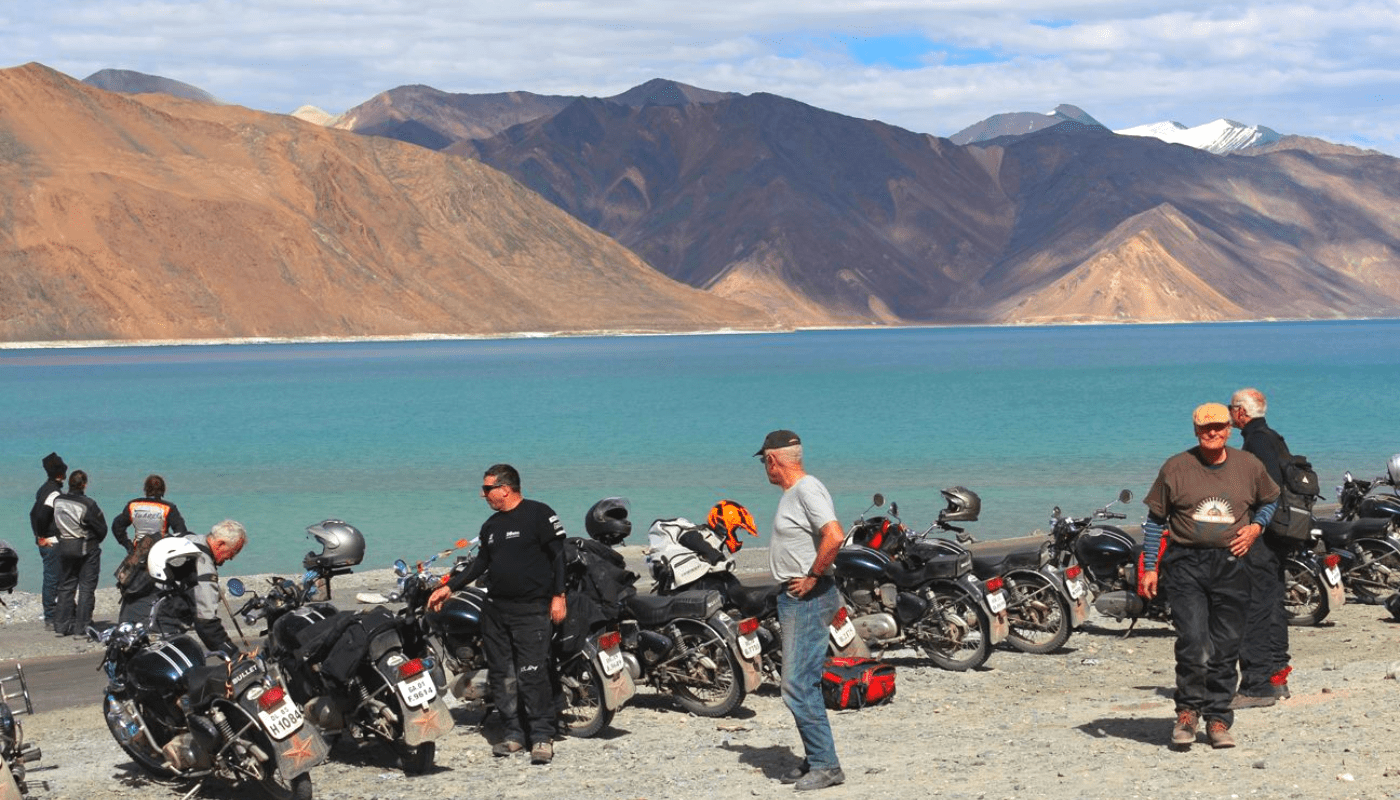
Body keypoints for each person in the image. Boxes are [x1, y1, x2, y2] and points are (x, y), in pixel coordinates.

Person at [1140, 403, 1279, 750]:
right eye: (1205, 429)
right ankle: (1187, 712)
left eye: (1219, 427)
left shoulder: (1249, 465)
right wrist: (1150, 567)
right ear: (1196, 431)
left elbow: (1270, 500)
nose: (1213, 433)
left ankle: (1218, 717)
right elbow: (1156, 521)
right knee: (1192, 641)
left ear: (1230, 428)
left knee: (1226, 644)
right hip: (1185, 563)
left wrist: (1256, 528)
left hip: (1233, 563)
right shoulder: (1176, 467)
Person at [427, 464, 566, 765]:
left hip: (531, 610)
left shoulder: (539, 514)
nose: (483, 494)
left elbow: (559, 557)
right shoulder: (491, 526)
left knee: (532, 674)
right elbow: (480, 564)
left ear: (505, 488)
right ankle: (514, 734)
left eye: (487, 488)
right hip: (497, 611)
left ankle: (542, 735)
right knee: (503, 675)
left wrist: (559, 596)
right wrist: (448, 587)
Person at [756, 429, 846, 791]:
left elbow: (834, 535)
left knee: (795, 684)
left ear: (772, 460)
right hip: (799, 596)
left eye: (765, 462)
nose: (766, 468)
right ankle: (815, 757)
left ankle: (827, 765)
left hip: (807, 597)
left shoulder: (806, 489)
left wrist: (811, 577)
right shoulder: (798, 492)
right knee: (803, 681)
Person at [1228, 388, 1295, 707]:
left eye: (1231, 408)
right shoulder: (1274, 437)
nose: (1229, 414)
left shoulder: (1254, 442)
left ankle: (1256, 685)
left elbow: (1261, 490)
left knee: (1253, 605)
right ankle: (1277, 678)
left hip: (1261, 536)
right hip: (1280, 533)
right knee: (1272, 602)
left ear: (1241, 412)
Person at [152, 520, 247, 656]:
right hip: (160, 626)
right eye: (233, 551)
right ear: (220, 544)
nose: (232, 558)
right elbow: (206, 623)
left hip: (136, 606)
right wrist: (234, 654)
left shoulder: (187, 538)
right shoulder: (203, 566)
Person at [112, 475, 190, 624]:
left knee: (134, 587)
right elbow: (181, 532)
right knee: (157, 590)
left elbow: (117, 526)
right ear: (163, 490)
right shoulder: (168, 508)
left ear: (145, 490)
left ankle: (128, 620)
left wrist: (127, 544)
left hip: (137, 554)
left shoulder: (133, 505)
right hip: (158, 555)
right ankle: (156, 620)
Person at [51, 469, 107, 638]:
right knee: (86, 588)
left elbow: (52, 522)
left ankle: (61, 626)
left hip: (64, 546)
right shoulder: (87, 504)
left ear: (69, 483)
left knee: (66, 586)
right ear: (84, 485)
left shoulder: (58, 500)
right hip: (85, 547)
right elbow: (101, 528)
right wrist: (94, 541)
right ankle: (82, 628)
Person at [28, 452, 66, 631]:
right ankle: (51, 617)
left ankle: (54, 614)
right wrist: (41, 536)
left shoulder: (44, 489)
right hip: (51, 541)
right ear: (61, 474)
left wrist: (37, 535)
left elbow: (32, 513)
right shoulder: (53, 493)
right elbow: (41, 515)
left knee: (53, 578)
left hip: (46, 539)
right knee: (53, 579)